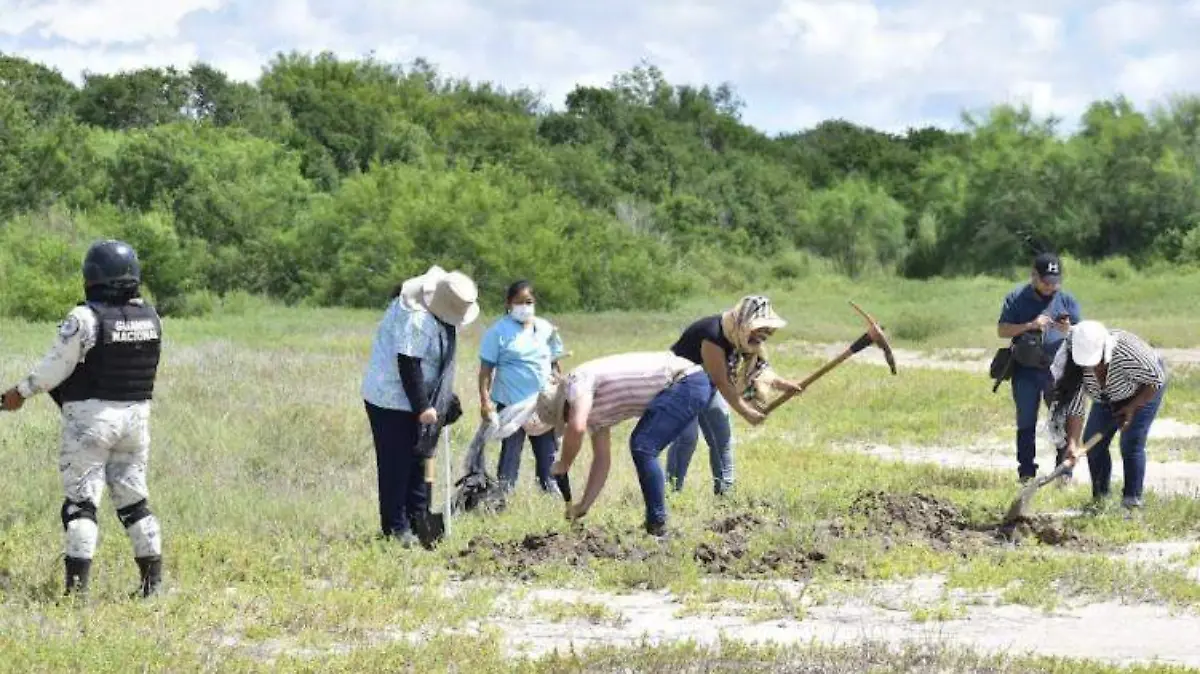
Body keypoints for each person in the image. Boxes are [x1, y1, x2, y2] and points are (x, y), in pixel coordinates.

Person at [1, 240, 165, 598]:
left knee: (81, 503)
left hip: (91, 421)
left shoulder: (84, 319)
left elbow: (53, 369)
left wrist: (19, 393)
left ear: (92, 277)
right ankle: (153, 585)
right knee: (134, 501)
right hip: (136, 420)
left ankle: (76, 594)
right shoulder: (151, 318)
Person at [541, 345, 799, 536]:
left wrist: (563, 464)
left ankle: (657, 524)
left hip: (684, 381)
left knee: (643, 446)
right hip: (685, 385)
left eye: (564, 415)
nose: (571, 418)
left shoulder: (577, 381)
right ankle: (657, 522)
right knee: (642, 445)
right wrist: (583, 506)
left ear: (563, 405)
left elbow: (575, 427)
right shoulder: (596, 416)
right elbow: (602, 461)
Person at [361, 265, 478, 546]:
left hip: (416, 398)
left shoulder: (438, 315)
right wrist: (424, 407)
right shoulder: (417, 318)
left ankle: (418, 519)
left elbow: (432, 364)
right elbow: (409, 364)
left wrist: (443, 398)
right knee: (397, 464)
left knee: (419, 462)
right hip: (391, 399)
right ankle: (395, 529)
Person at [665, 296, 802, 495]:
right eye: (760, 329)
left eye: (767, 331)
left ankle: (725, 494)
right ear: (745, 322)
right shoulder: (713, 335)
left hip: (707, 384)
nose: (764, 336)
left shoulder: (742, 339)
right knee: (687, 438)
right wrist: (747, 412)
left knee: (722, 438)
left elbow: (758, 371)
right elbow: (722, 381)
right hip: (680, 384)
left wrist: (784, 385)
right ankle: (671, 493)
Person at [1053, 321, 1168, 510]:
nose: (1093, 368)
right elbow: (1075, 406)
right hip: (1105, 397)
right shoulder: (1072, 363)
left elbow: (1155, 380)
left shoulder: (1128, 351)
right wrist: (1073, 443)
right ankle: (1101, 500)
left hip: (1143, 389)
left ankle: (1132, 501)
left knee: (1130, 443)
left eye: (1097, 362)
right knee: (1093, 443)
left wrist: (1131, 407)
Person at [996, 252, 1082, 482]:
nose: (1050, 286)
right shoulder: (1016, 298)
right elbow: (1002, 330)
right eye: (1046, 281)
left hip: (1058, 372)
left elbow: (1082, 334)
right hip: (1025, 370)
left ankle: (1063, 472)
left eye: (1055, 282)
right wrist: (1030, 325)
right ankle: (1026, 472)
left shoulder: (1067, 300)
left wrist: (1069, 330)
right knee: (1026, 421)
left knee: (1060, 420)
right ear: (1033, 276)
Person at [478, 280, 566, 494]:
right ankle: (501, 499)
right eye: (519, 302)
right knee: (510, 456)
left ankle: (553, 499)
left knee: (548, 457)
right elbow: (486, 371)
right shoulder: (498, 332)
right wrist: (485, 401)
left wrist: (559, 384)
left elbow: (555, 360)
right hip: (512, 404)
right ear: (509, 304)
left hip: (543, 404)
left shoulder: (545, 328)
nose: (524, 307)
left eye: (528, 302)